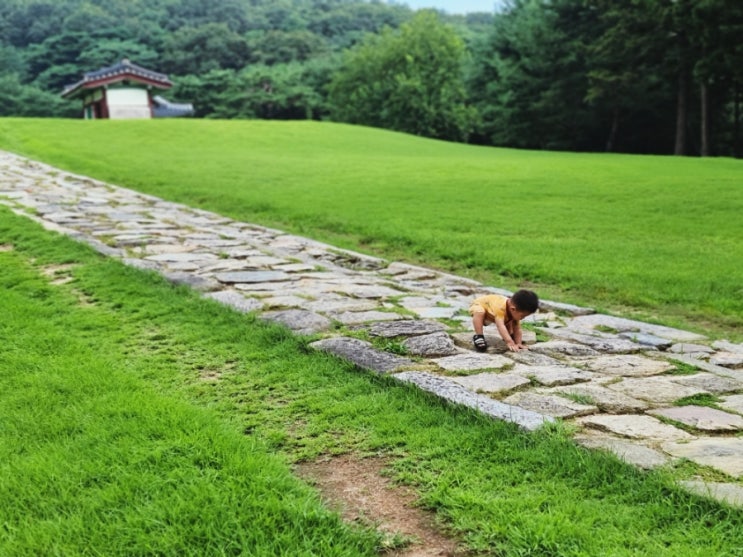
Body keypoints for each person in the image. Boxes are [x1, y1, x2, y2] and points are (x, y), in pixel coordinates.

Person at [469, 289, 539, 352]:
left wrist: (518, 343)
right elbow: (500, 326)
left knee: (510, 320)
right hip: (479, 305)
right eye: (522, 316)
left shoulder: (513, 310)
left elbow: (517, 328)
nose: (523, 318)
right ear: (513, 309)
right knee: (480, 312)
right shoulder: (500, 307)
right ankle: (479, 336)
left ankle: (509, 336)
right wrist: (509, 342)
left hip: (495, 312)